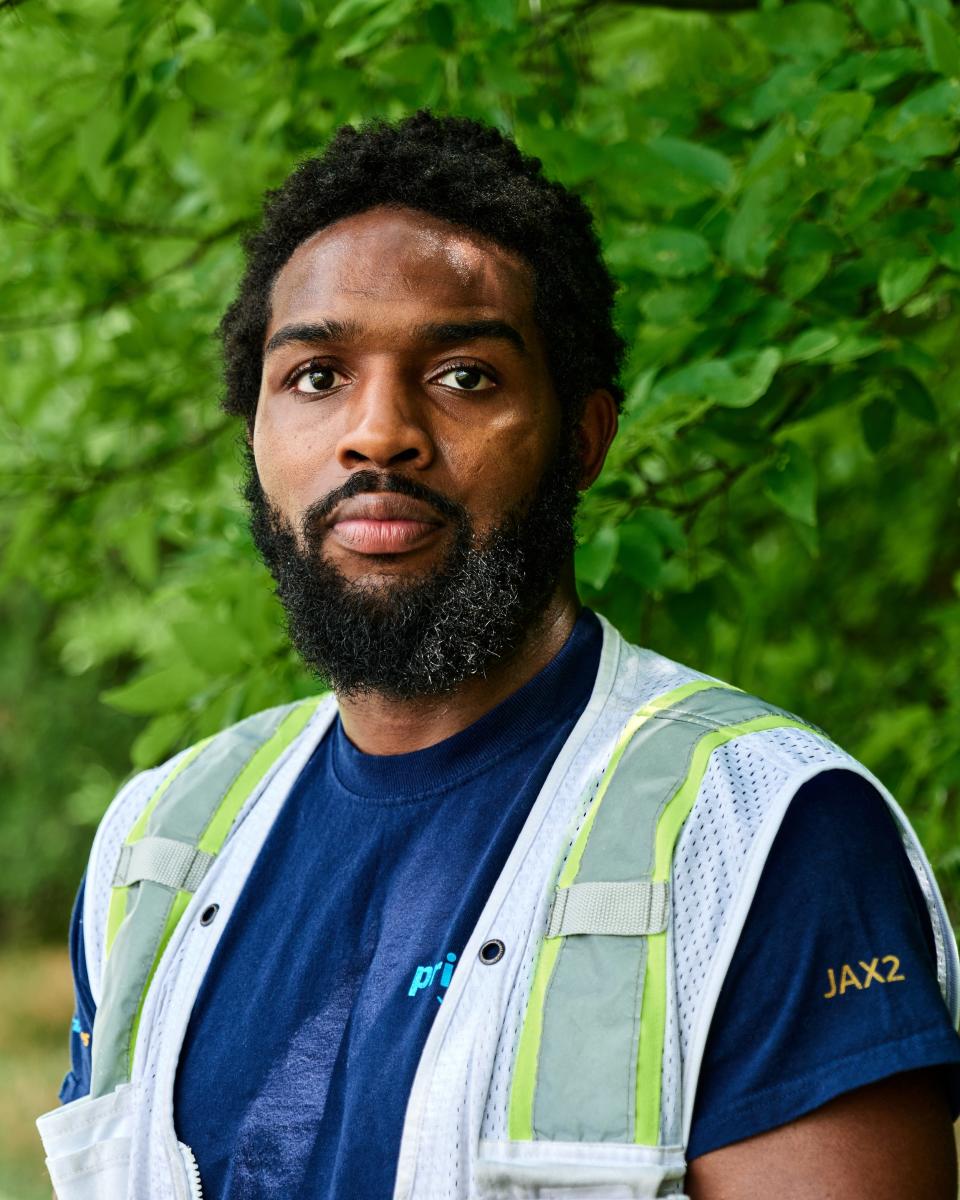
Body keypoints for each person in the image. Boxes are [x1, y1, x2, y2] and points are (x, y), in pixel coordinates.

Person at [42, 111, 960, 1200]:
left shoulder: (764, 832)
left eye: (465, 375)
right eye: (317, 376)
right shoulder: (157, 842)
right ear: (255, 433)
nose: (378, 432)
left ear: (584, 436)